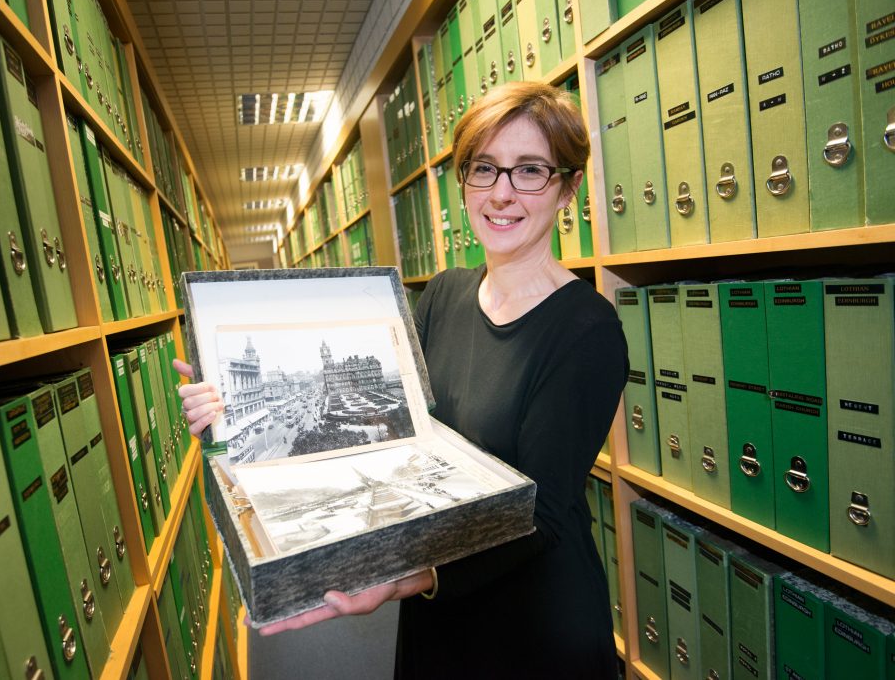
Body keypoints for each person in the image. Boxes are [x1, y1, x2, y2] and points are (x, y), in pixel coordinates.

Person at [174, 81, 628, 678]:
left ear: (568, 188)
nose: (502, 193)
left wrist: (407, 580)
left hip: (528, 625)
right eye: (484, 169)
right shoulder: (443, 295)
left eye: (531, 171)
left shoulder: (586, 329)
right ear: (463, 181)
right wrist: (228, 417)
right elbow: (399, 432)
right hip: (437, 614)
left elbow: (539, 516)